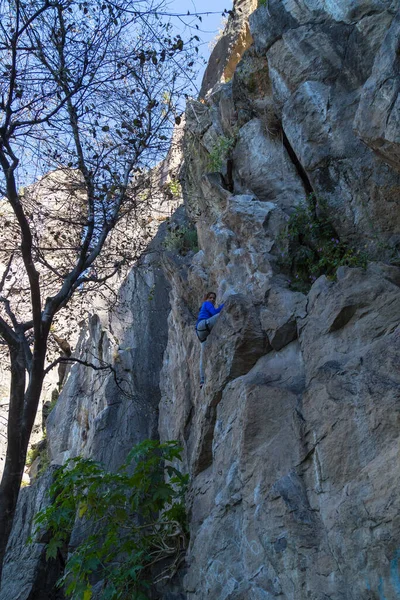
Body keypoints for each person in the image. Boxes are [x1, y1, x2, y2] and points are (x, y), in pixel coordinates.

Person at [195, 291, 224, 388]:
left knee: (203, 356)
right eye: (210, 297)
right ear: (206, 298)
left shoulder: (205, 306)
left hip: (201, 333)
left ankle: (202, 380)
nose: (212, 300)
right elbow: (215, 312)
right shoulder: (206, 304)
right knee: (223, 314)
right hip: (203, 325)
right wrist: (225, 304)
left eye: (214, 298)